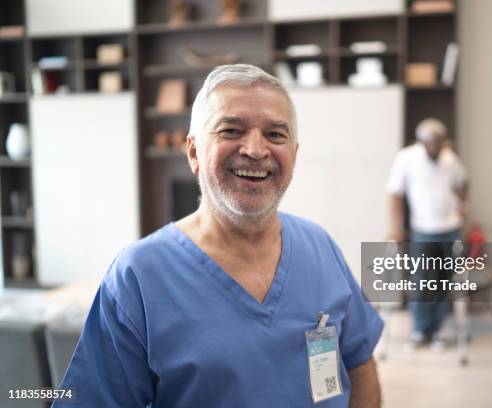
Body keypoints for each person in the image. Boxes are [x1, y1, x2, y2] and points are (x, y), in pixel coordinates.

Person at [53, 64, 384, 407]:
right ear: (194, 152)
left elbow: (360, 361)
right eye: (231, 130)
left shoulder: (320, 247)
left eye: (275, 135)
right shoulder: (139, 276)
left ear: (294, 156)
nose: (256, 150)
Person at [386, 118, 468, 349]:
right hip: (423, 229)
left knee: (443, 281)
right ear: (422, 142)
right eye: (433, 143)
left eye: (441, 143)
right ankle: (420, 329)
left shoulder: (450, 159)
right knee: (423, 280)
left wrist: (463, 206)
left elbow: (463, 181)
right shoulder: (406, 158)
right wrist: (394, 228)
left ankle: (438, 329)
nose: (438, 148)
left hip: (450, 229)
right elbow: (395, 194)